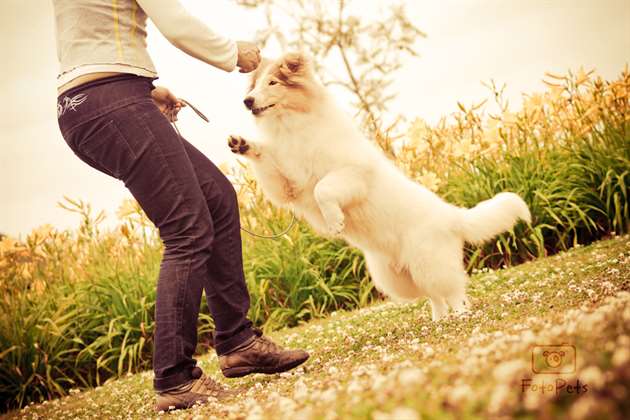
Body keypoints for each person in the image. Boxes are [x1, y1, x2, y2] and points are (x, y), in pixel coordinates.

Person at [51, 0, 309, 412]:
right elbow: (176, 23)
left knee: (216, 198)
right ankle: (175, 378)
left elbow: (88, 36)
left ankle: (238, 341)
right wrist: (233, 53)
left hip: (87, 104)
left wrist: (144, 87)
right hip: (110, 101)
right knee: (186, 230)